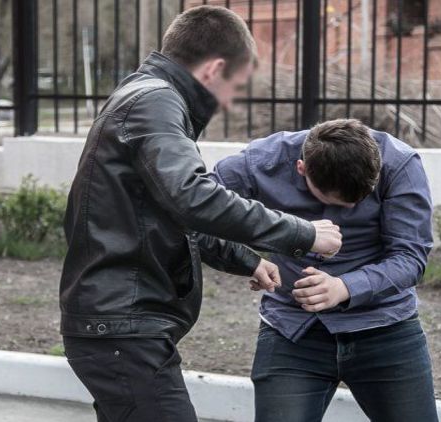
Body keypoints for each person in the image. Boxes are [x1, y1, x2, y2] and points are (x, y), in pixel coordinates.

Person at [58, 6, 342, 422]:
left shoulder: (145, 95)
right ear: (215, 69)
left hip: (119, 323)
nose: (228, 102)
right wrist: (303, 233)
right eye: (234, 86)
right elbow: (193, 196)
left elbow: (173, 213)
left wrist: (245, 259)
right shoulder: (155, 102)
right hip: (122, 325)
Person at [211, 118, 438, 422]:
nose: (350, 209)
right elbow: (193, 209)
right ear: (301, 168)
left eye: (360, 200)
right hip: (293, 330)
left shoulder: (400, 163)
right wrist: (245, 260)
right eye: (337, 202)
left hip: (385, 326)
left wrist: (345, 288)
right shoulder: (260, 164)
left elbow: (410, 257)